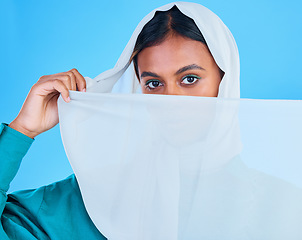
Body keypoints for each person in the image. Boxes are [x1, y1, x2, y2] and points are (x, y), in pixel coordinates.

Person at [0, 2, 238, 239]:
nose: (171, 101)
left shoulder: (264, 199)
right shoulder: (91, 199)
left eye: (189, 79)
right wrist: (22, 130)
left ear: (225, 82)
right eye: (154, 84)